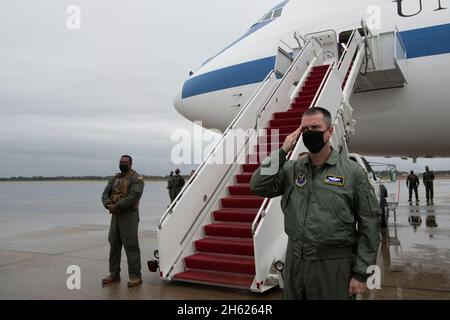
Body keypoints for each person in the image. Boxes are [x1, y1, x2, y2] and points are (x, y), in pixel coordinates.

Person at [250, 107, 380, 300]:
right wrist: (283, 151)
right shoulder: (291, 169)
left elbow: (370, 224)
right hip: (296, 262)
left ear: (330, 131)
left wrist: (361, 273)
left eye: (316, 127)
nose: (310, 133)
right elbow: (258, 185)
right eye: (305, 128)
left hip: (333, 265)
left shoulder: (353, 173)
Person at [101, 155, 145, 287]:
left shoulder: (137, 178)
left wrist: (117, 206)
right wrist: (108, 204)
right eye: (120, 162)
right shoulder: (114, 178)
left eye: (125, 162)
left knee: (131, 245)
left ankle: (135, 276)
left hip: (129, 215)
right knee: (114, 244)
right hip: (115, 215)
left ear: (131, 164)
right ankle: (114, 274)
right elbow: (105, 194)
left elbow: (133, 196)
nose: (122, 164)